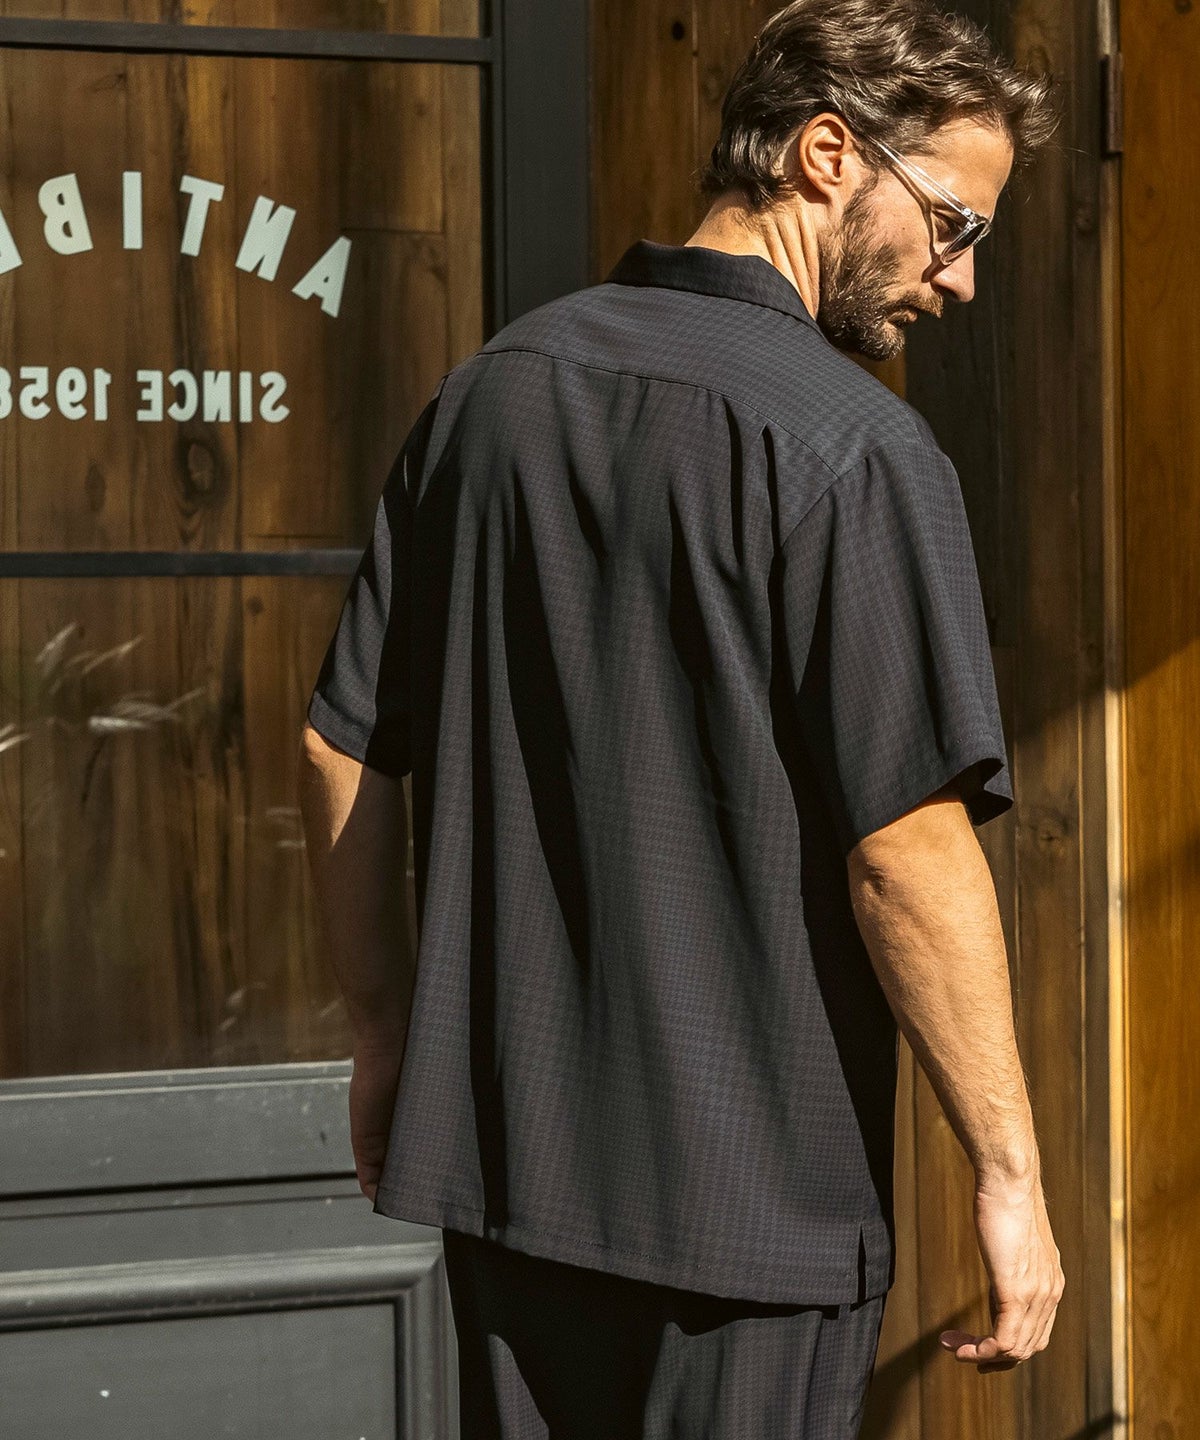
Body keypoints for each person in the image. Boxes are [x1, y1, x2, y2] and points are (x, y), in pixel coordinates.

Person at [297, 1, 1066, 1434]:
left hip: (506, 1179)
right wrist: (1009, 1172)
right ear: (829, 154)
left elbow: (342, 744)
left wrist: (385, 1033)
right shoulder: (854, 452)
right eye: (956, 226)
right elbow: (905, 849)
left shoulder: (489, 396)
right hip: (750, 1220)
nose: (960, 280)